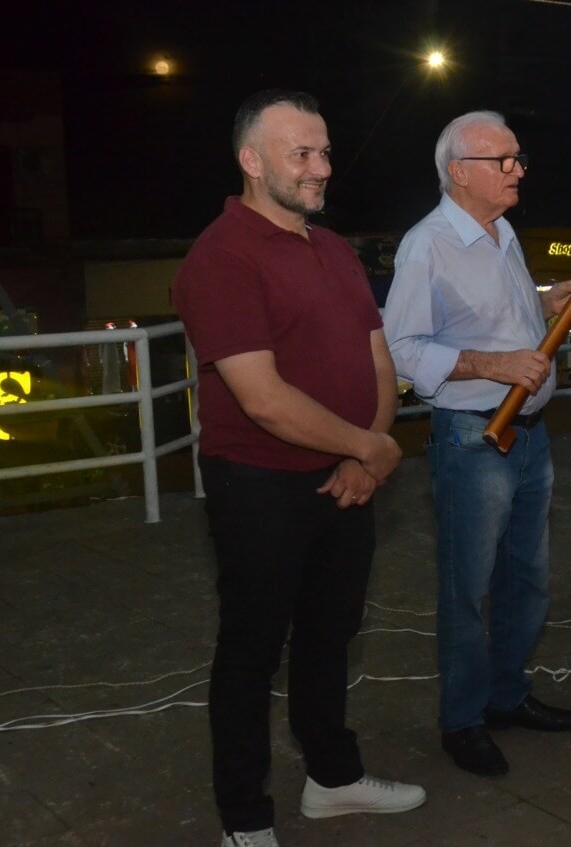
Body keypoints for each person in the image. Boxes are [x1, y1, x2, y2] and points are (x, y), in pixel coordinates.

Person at [172, 89, 426, 847]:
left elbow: (377, 361)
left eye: (324, 152)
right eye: (302, 154)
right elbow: (263, 399)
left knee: (330, 634)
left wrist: (365, 452)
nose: (321, 167)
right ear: (252, 161)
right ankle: (244, 821)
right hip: (259, 485)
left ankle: (333, 780)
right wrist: (368, 448)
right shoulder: (222, 256)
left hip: (346, 475)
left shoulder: (335, 249)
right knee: (251, 653)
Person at [384, 110, 571, 779]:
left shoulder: (502, 232)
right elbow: (402, 349)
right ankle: (463, 721)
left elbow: (493, 315)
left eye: (517, 157)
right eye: (503, 160)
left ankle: (506, 696)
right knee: (468, 590)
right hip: (473, 437)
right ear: (459, 173)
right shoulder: (427, 245)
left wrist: (544, 302)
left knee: (525, 581)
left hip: (528, 436)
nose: (518, 169)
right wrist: (493, 366)